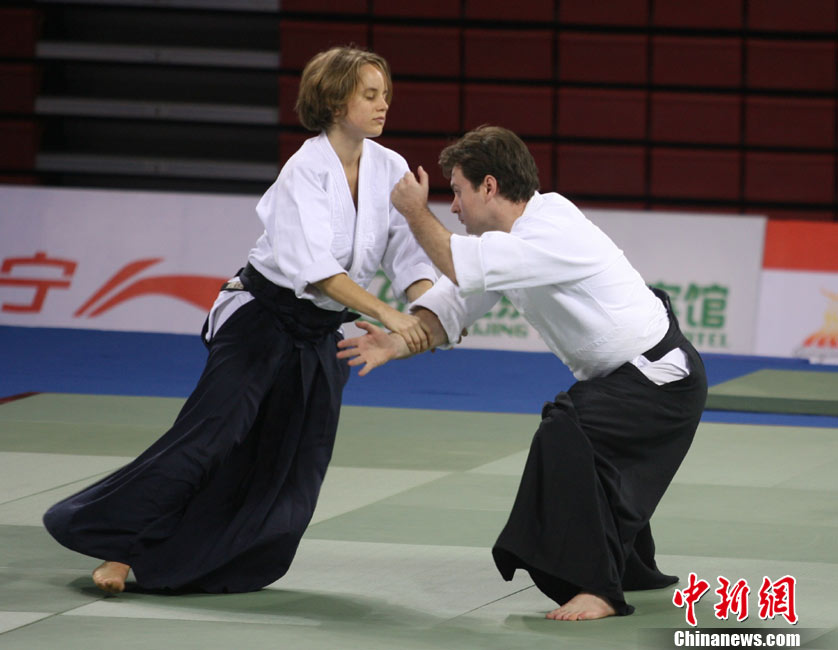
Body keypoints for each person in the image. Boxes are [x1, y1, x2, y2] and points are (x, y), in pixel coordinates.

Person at [43, 46, 437, 595]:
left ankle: (181, 560)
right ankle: (117, 544)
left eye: (385, 94)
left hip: (318, 334)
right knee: (210, 438)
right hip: (262, 317)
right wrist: (388, 312)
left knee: (289, 461)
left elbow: (408, 254)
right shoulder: (305, 171)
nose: (383, 104)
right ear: (333, 102)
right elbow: (317, 271)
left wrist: (428, 309)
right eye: (370, 95)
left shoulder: (389, 168)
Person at [337, 125, 707, 620]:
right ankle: (629, 568)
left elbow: (459, 265)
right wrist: (397, 341)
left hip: (659, 379)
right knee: (590, 446)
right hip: (633, 379)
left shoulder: (550, 228)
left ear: (489, 186)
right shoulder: (507, 242)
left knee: (567, 430)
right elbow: (453, 304)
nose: (454, 206)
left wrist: (413, 212)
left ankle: (598, 589)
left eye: (458, 191)